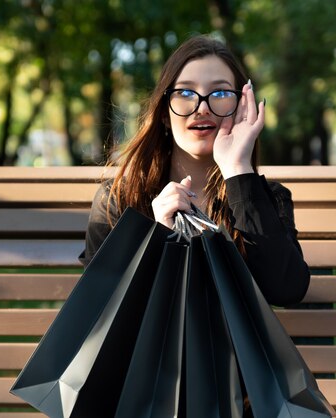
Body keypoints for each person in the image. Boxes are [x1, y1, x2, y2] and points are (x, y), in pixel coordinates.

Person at [80, 34, 310, 308]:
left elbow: (286, 290)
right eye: (185, 93)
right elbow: (94, 305)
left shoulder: (266, 199)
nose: (202, 108)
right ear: (164, 113)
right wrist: (158, 239)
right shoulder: (118, 198)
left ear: (241, 109)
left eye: (221, 93)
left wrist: (237, 170)